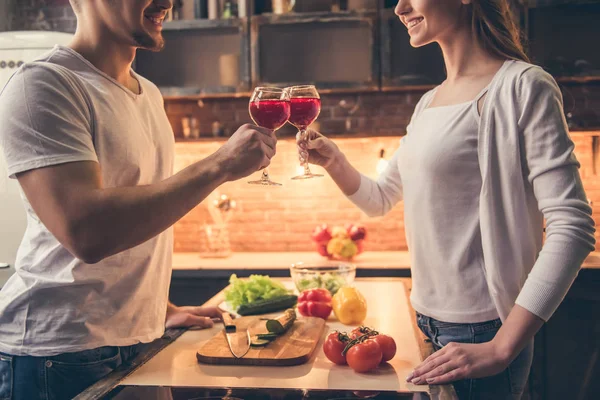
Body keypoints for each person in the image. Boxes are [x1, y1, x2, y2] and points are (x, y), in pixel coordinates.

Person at [298, 0, 595, 399]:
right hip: (427, 322)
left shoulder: (523, 86)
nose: (400, 8)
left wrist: (503, 346)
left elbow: (572, 227)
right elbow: (379, 198)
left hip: (483, 333)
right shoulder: (428, 103)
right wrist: (333, 160)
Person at [0, 1, 276, 399]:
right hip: (57, 355)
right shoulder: (45, 84)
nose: (168, 2)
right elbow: (86, 232)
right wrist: (219, 165)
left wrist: (160, 308)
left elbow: (136, 220)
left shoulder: (148, 94)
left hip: (138, 339)